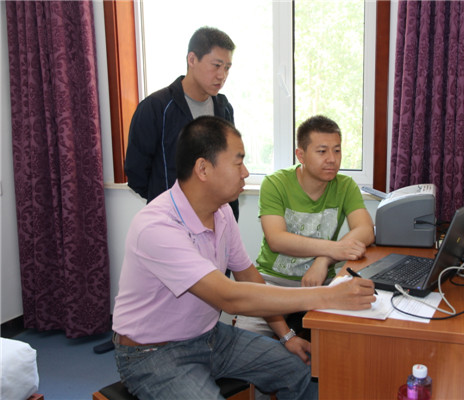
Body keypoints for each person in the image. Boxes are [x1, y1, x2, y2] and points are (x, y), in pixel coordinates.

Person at [111, 116, 376, 400]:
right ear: (203, 168)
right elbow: (229, 297)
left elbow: (249, 277)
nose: (246, 172)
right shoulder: (157, 226)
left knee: (301, 370)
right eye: (238, 163)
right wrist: (328, 296)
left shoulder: (222, 212)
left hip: (210, 337)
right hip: (153, 353)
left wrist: (287, 336)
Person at [235, 115, 375, 336]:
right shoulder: (275, 183)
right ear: (300, 155)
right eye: (322, 151)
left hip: (323, 283)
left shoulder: (345, 186)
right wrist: (334, 249)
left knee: (346, 341)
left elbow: (365, 230)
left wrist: (323, 260)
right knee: (245, 344)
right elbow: (277, 239)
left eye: (337, 150)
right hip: (272, 284)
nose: (332, 159)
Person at [124, 26, 239, 220]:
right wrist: (167, 201)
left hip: (216, 219)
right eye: (216, 65)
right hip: (170, 220)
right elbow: (136, 173)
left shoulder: (224, 108)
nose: (222, 75)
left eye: (227, 68)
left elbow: (227, 164)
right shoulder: (156, 107)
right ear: (192, 60)